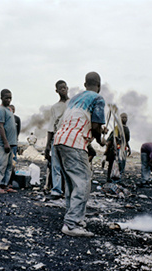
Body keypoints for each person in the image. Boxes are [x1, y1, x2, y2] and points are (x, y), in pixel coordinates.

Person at [53, 72, 106, 237]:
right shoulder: (98, 99)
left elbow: (79, 121)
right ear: (99, 85)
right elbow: (96, 127)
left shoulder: (75, 99)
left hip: (60, 139)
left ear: (85, 84)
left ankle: (75, 217)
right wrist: (101, 140)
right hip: (74, 142)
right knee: (83, 182)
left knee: (71, 183)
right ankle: (72, 224)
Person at [0, 89, 18, 194]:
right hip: (4, 143)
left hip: (12, 143)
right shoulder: (1, 110)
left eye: (10, 98)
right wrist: (6, 142)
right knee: (0, 165)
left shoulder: (9, 109)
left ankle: (4, 185)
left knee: (9, 166)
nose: (9, 100)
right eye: (6, 98)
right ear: (1, 98)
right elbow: (1, 126)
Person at [45, 80, 69, 199]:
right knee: (56, 166)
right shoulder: (55, 107)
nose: (63, 90)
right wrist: (47, 145)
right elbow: (51, 126)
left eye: (64, 87)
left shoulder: (73, 104)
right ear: (57, 91)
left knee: (68, 166)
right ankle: (57, 190)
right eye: (61, 88)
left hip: (69, 138)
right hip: (57, 138)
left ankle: (68, 190)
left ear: (67, 88)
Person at [105, 112, 131, 182]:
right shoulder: (117, 127)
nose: (125, 119)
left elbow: (126, 140)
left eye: (126, 117)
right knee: (113, 163)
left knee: (121, 164)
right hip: (116, 148)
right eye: (123, 117)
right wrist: (113, 149)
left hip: (123, 149)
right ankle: (110, 178)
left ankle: (117, 178)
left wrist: (129, 148)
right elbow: (114, 138)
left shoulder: (126, 128)